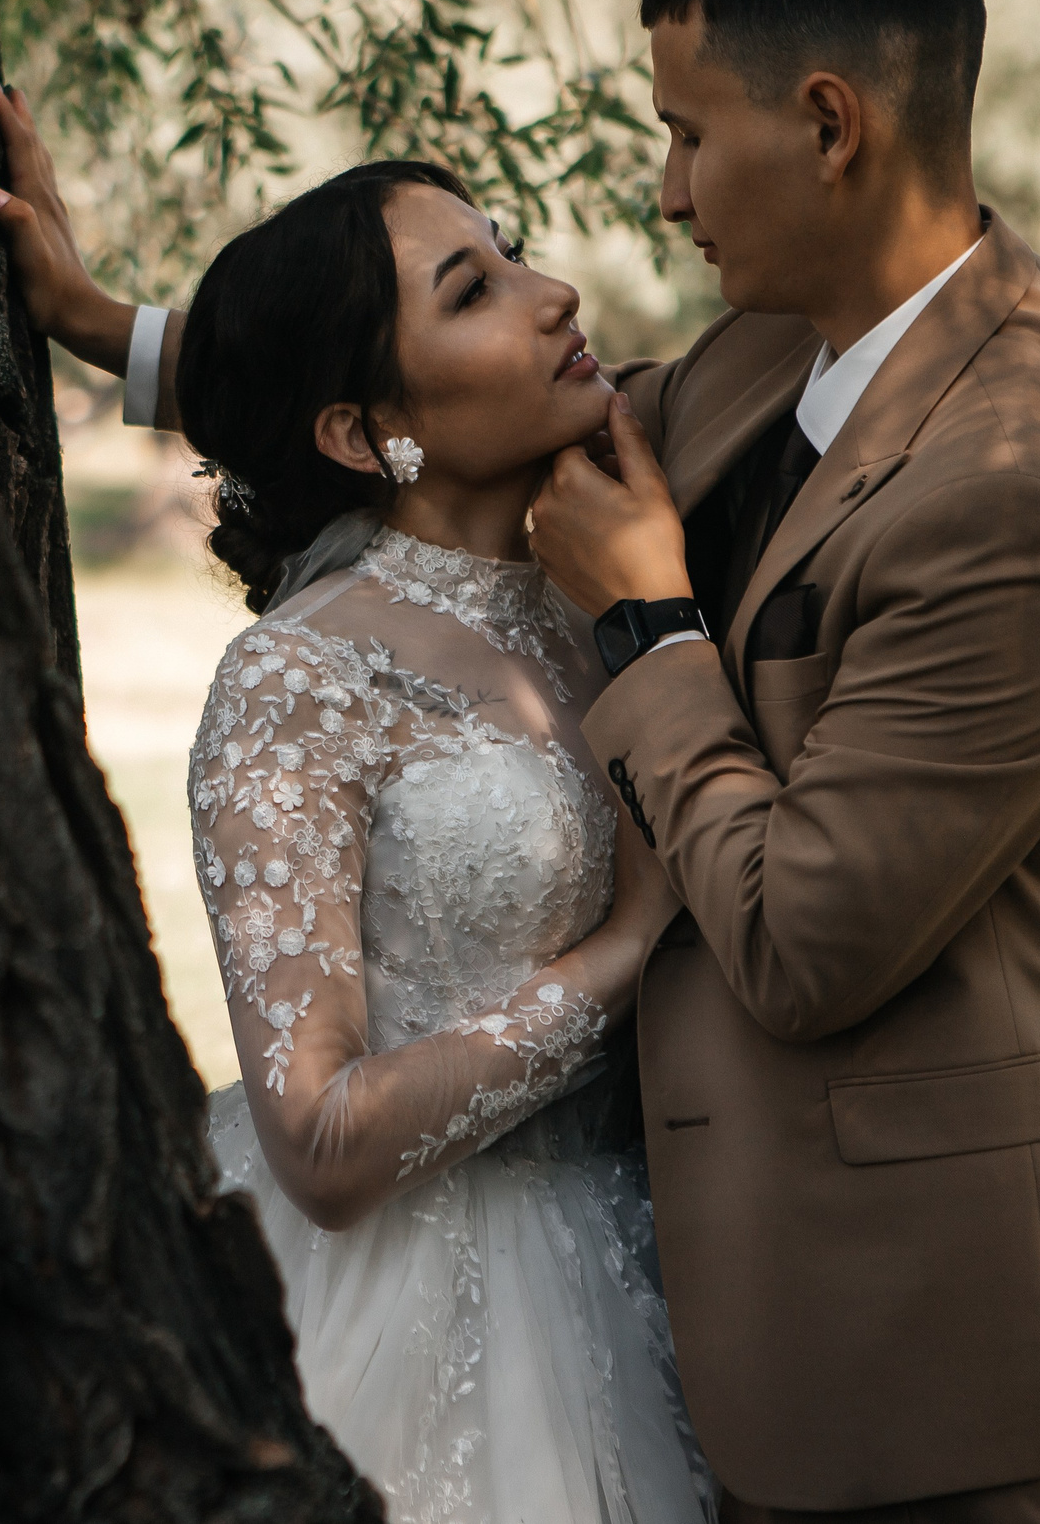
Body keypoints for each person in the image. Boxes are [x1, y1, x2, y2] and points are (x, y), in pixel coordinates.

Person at [0, 0, 1040, 1524]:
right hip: (677, 1321)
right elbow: (425, 405)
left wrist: (651, 630)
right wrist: (111, 330)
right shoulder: (779, 357)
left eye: (691, 132)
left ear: (829, 124)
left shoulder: (1013, 489)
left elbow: (802, 937)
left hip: (929, 1376)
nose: (669, 192)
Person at [85, 152, 725, 1522]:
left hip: (661, 1259)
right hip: (417, 1318)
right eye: (474, 289)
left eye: (514, 253)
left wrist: (98, 320)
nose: (554, 297)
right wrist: (627, 948)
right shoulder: (299, 680)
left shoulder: (607, 594)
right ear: (363, 433)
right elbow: (316, 1140)